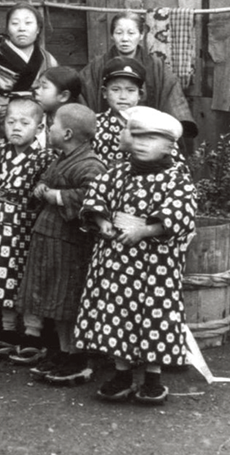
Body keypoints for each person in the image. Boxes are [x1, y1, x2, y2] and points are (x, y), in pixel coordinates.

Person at [74, 107, 197, 405]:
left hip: (155, 264)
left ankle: (153, 378)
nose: (142, 143)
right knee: (115, 313)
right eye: (138, 136)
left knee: (155, 316)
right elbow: (96, 197)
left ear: (169, 146)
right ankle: (122, 373)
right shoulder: (116, 173)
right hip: (115, 258)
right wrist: (102, 222)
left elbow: (182, 213)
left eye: (152, 138)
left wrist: (147, 230)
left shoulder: (175, 179)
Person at [16, 104, 105, 384]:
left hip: (69, 242)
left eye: (52, 125)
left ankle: (76, 357)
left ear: (66, 133)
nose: (49, 128)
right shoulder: (61, 157)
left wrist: (55, 196)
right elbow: (48, 179)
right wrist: (41, 186)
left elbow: (91, 196)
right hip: (49, 237)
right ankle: (62, 350)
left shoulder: (91, 164)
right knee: (52, 298)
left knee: (67, 300)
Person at [0, 98, 54, 357]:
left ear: (39, 128)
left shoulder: (45, 158)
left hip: (26, 228)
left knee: (27, 279)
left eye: (24, 123)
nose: (16, 128)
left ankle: (32, 333)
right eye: (10, 122)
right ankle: (6, 330)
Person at [78, 12, 197, 139]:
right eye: (119, 33)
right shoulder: (97, 65)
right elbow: (81, 94)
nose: (124, 39)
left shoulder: (156, 65)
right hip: (106, 131)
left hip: (148, 132)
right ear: (112, 36)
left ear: (141, 35)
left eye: (131, 33)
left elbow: (170, 91)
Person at [91, 56, 146, 167]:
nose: (123, 96)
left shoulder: (151, 125)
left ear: (140, 94)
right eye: (115, 90)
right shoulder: (92, 124)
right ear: (104, 92)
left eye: (130, 90)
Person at [32, 66, 83, 147]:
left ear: (63, 96)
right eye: (38, 87)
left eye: (44, 87)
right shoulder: (35, 118)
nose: (37, 91)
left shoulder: (80, 125)